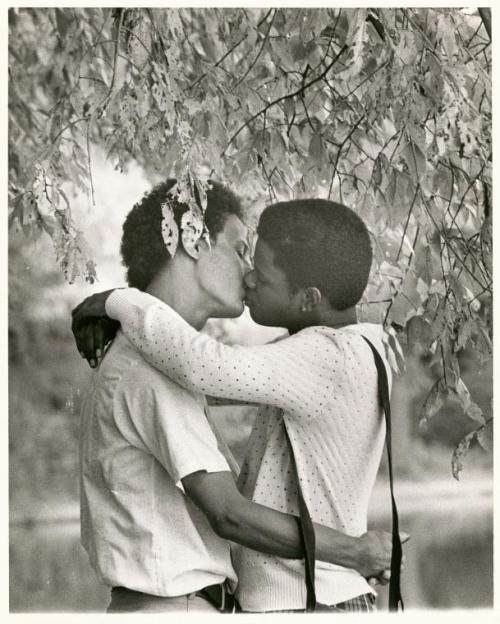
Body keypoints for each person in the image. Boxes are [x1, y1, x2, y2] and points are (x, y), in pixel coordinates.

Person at [74, 180, 395, 613]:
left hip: (308, 600)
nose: (248, 273)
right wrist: (353, 551)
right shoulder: (150, 365)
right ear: (191, 239)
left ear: (308, 299)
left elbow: (207, 367)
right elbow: (228, 508)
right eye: (241, 250)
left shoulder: (328, 355)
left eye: (255, 263)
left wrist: (117, 300)